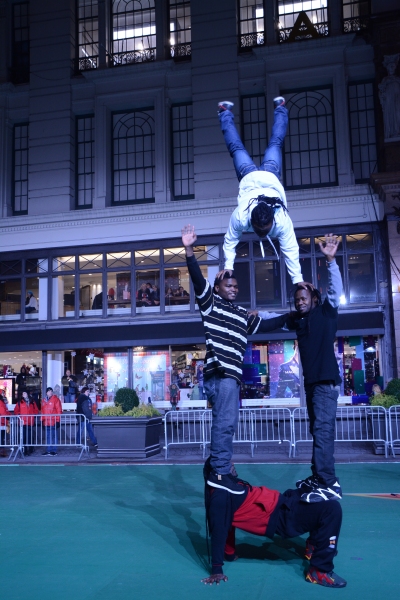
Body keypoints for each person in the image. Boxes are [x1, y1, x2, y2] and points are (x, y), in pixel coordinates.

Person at [182, 223, 288, 494]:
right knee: (226, 422)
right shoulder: (211, 303)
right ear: (217, 287)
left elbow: (266, 326)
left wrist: (293, 317)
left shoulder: (242, 315)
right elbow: (196, 279)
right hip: (222, 375)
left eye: (236, 286)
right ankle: (220, 470)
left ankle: (222, 464)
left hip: (226, 377)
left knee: (225, 422)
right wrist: (189, 250)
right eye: (228, 285)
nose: (233, 288)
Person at [202, 460, 346, 589]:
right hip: (281, 518)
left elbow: (228, 523)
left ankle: (314, 546)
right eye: (227, 464)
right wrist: (217, 569)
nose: (232, 464)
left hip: (283, 501)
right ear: (216, 473)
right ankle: (319, 571)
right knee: (331, 509)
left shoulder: (229, 485)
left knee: (318, 492)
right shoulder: (219, 497)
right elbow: (220, 530)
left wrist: (230, 554)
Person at [217, 98, 311, 289]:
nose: (261, 233)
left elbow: (291, 249)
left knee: (237, 148)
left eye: (264, 230)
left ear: (272, 219)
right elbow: (230, 240)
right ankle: (280, 107)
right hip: (270, 174)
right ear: (250, 219)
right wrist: (228, 265)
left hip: (249, 176)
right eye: (259, 230)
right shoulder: (241, 216)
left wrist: (298, 280)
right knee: (275, 144)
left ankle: (225, 111)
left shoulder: (281, 220)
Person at [286, 234, 343, 503]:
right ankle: (318, 476)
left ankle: (328, 482)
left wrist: (330, 261)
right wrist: (255, 317)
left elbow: (336, 291)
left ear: (314, 298)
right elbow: (275, 321)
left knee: (322, 432)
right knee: (317, 431)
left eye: (304, 297)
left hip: (325, 383)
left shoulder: (326, 313)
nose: (299, 301)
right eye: (297, 299)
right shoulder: (299, 321)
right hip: (312, 385)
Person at [14, 391, 39, 455]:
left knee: (30, 437)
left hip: (30, 422)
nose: (24, 394)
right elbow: (16, 411)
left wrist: (32, 416)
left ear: (27, 394)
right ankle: (24, 450)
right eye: (23, 393)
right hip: (23, 423)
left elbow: (36, 410)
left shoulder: (32, 402)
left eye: (25, 393)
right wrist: (20, 415)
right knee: (23, 437)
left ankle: (30, 449)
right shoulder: (20, 402)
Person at [41, 387, 62, 456]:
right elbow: (42, 412)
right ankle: (49, 450)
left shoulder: (56, 400)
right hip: (46, 421)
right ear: (46, 392)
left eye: (51, 391)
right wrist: (42, 420)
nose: (50, 392)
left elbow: (59, 410)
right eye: (49, 391)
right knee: (48, 436)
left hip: (53, 421)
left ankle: (54, 450)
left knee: (54, 436)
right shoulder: (44, 401)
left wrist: (58, 420)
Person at [0, 392, 10, 457]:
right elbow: (3, 412)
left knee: (2, 437)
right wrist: (8, 416)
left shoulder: (2, 402)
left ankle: (2, 452)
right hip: (1, 422)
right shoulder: (1, 402)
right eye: (3, 393)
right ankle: (2, 452)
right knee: (1, 438)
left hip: (2, 422)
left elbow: (5, 411)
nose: (4, 394)